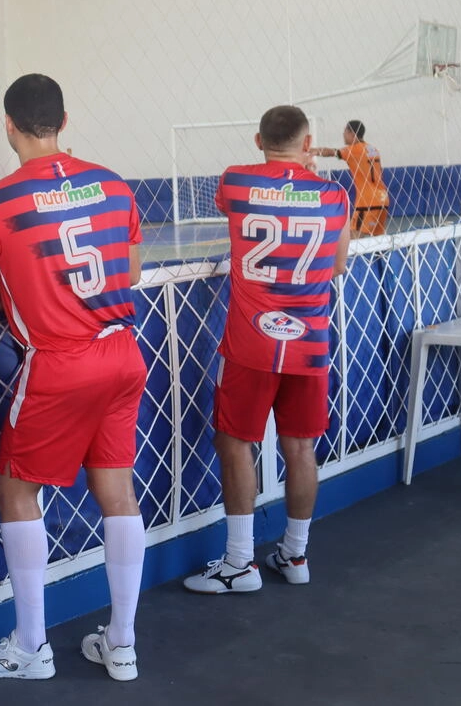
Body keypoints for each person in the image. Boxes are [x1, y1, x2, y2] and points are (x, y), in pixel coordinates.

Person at [0, 74, 147, 683]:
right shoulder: (111, 183)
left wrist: (19, 292)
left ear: (8, 125)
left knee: (14, 492)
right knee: (117, 492)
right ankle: (123, 642)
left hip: (59, 364)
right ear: (64, 119)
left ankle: (32, 644)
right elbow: (131, 270)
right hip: (122, 354)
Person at [183, 105, 350, 595]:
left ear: (258, 141)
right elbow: (338, 264)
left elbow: (242, 201)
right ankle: (294, 554)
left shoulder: (236, 181)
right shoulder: (335, 194)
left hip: (252, 340)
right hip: (309, 340)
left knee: (236, 441)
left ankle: (240, 563)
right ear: (309, 142)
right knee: (300, 447)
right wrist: (306, 177)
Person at [310, 119, 387, 236]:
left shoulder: (354, 150)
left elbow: (331, 152)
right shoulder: (373, 149)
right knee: (380, 242)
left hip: (367, 201)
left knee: (352, 240)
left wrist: (312, 151)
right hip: (383, 198)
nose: (343, 134)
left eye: (345, 131)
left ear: (351, 133)